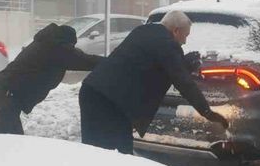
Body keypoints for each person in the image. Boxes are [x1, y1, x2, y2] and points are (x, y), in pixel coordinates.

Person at [79, 10, 228, 154]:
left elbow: (150, 62)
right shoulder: (168, 44)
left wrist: (181, 63)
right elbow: (183, 82)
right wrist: (207, 112)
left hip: (92, 90)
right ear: (176, 31)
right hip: (111, 103)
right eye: (185, 35)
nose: (185, 41)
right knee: (118, 155)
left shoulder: (142, 31)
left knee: (95, 153)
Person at [0, 23, 101, 134]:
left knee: (14, 139)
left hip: (5, 94)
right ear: (66, 41)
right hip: (5, 95)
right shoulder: (55, 49)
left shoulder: (46, 44)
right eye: (71, 45)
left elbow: (77, 56)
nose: (72, 48)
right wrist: (112, 62)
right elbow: (85, 60)